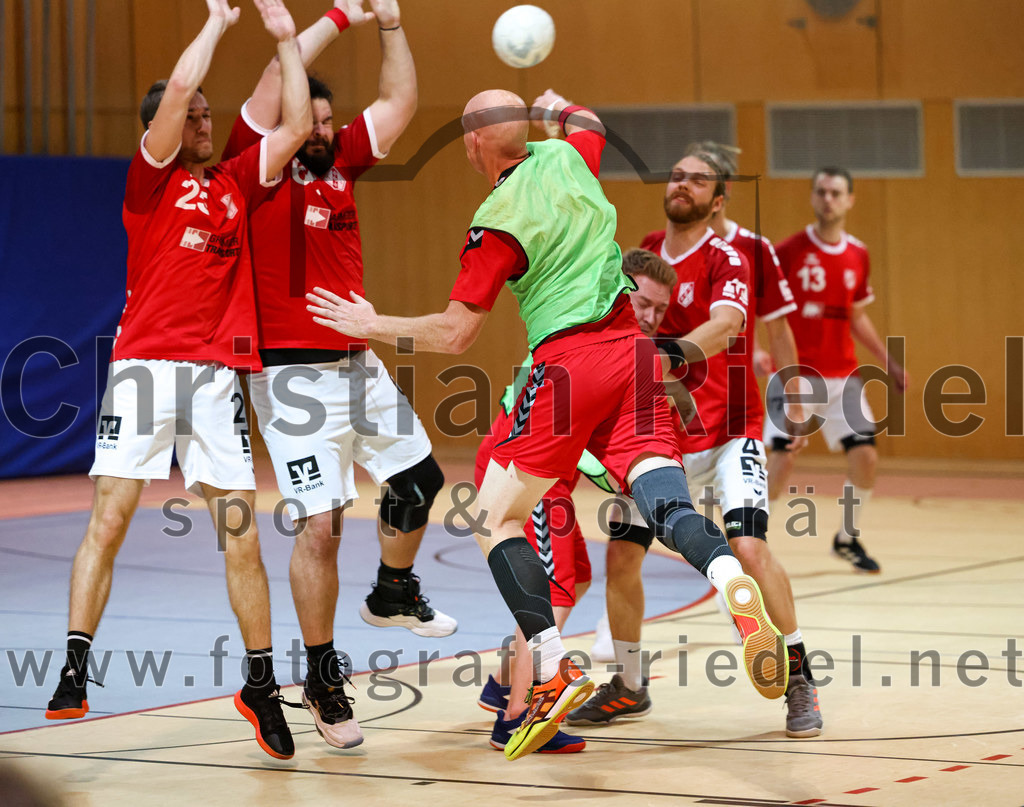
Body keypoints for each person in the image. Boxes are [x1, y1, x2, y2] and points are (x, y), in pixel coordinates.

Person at [307, 88, 786, 761]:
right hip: (636, 359)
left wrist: (372, 324)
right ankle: (724, 570)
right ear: (529, 132)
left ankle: (550, 662)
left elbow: (455, 332)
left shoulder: (496, 220)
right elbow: (590, 121)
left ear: (474, 146)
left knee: (496, 516)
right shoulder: (568, 156)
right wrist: (560, 107)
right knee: (667, 501)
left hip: (567, 369)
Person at [43, 0, 312, 761]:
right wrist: (220, 23)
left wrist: (288, 40)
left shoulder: (232, 180)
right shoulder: (151, 179)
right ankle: (74, 663)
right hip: (145, 371)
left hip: (213, 377)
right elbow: (180, 87)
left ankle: (260, 683)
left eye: (205, 114)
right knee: (113, 516)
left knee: (240, 533)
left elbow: (291, 129)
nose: (203, 120)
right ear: (162, 121)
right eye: (191, 113)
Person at [220, 0, 455, 750]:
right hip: (288, 376)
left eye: (327, 120)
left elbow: (402, 101)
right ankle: (322, 673)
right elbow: (267, 82)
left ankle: (392, 590)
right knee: (320, 527)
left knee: (419, 484)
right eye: (308, 118)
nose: (320, 129)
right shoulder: (253, 166)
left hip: (357, 363)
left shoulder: (343, 163)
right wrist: (338, 15)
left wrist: (388, 22)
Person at [570, 143, 824, 738]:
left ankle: (799, 677)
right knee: (622, 556)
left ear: (719, 199)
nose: (683, 184)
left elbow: (728, 326)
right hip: (657, 438)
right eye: (677, 174)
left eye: (698, 180)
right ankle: (630, 686)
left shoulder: (730, 257)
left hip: (731, 431)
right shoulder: (646, 254)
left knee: (751, 550)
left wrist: (653, 359)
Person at [476, 248, 680, 755]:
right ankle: (520, 716)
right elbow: (545, 420)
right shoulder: (577, 334)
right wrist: (620, 476)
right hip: (523, 475)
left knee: (578, 575)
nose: (652, 316)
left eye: (661, 308)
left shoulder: (614, 345)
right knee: (557, 589)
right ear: (617, 288)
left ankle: (504, 685)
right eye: (644, 301)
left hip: (548, 478)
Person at [766, 167, 909, 573]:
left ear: (850, 200)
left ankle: (846, 537)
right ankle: (751, 542)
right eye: (822, 192)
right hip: (796, 377)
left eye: (836, 193)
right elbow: (769, 315)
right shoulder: (788, 252)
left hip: (842, 376)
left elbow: (856, 316)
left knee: (865, 457)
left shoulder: (857, 253)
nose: (828, 199)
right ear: (813, 198)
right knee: (784, 459)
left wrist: (888, 361)